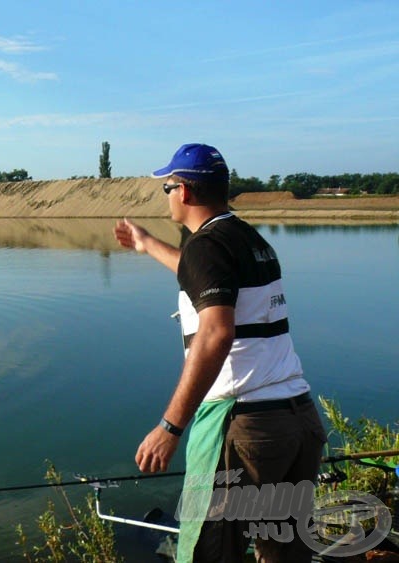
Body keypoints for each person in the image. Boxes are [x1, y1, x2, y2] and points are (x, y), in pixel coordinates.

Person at [113, 144, 326, 561]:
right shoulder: (248, 239)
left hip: (242, 427)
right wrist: (146, 244)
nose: (168, 195)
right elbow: (200, 274)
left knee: (206, 553)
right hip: (297, 422)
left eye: (168, 187)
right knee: (283, 552)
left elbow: (215, 334)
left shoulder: (206, 246)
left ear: (186, 191)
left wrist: (169, 428)